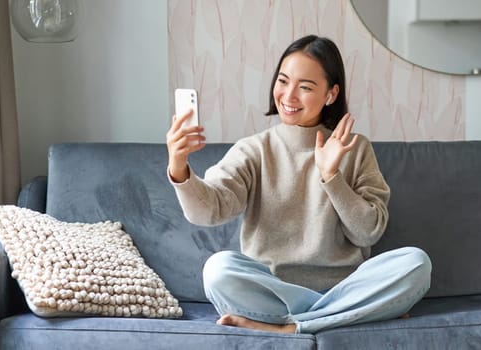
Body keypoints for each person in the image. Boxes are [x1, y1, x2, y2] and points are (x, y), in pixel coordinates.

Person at [165, 34, 431, 334]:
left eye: (305, 87)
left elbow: (367, 232)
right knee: (218, 270)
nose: (288, 96)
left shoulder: (355, 149)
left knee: (416, 264)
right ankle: (340, 319)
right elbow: (207, 211)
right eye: (283, 81)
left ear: (331, 94)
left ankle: (287, 329)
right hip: (276, 291)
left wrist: (331, 176)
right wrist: (179, 166)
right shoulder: (254, 150)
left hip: (343, 288)